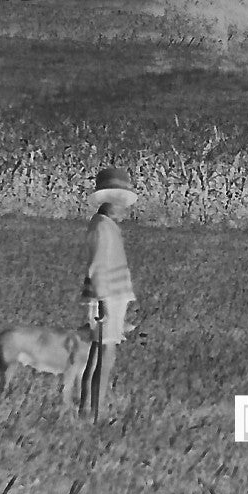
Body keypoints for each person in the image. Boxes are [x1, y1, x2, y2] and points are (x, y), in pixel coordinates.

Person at [79, 167, 138, 419]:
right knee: (104, 358)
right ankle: (95, 410)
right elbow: (98, 266)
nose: (122, 207)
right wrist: (96, 304)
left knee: (98, 355)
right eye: (117, 201)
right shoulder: (102, 227)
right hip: (108, 299)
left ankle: (88, 408)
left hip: (114, 297)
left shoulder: (106, 225)